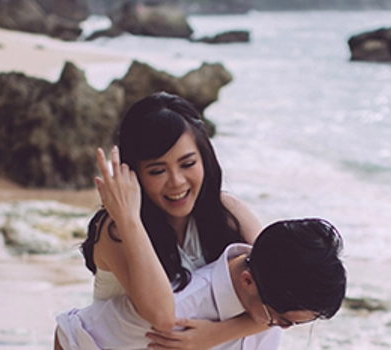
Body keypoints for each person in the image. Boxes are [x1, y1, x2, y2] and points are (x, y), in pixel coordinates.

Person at [75, 92, 270, 349]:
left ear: (204, 159)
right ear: (133, 174)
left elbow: (285, 290)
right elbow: (162, 316)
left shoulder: (227, 212)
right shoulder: (116, 230)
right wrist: (129, 218)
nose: (176, 182)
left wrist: (214, 335)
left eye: (187, 164)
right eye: (157, 171)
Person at [54, 218, 347, 350]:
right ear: (247, 281)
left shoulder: (273, 289)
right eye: (283, 321)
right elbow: (69, 335)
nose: (281, 328)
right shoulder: (175, 310)